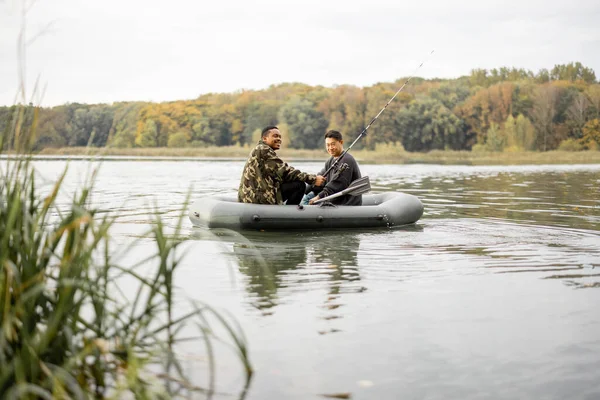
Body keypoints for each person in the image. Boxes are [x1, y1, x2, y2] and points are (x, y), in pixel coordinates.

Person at [238, 126, 326, 205]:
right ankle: (289, 216)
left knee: (292, 182)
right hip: (256, 198)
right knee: (299, 185)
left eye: (280, 137)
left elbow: (280, 174)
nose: (279, 139)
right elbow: (284, 172)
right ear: (264, 138)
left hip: (253, 195)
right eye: (275, 136)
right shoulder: (263, 149)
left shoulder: (261, 150)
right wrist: (313, 179)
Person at [305, 130, 362, 206]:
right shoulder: (330, 161)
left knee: (309, 201)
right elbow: (321, 179)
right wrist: (305, 190)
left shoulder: (347, 160)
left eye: (333, 144)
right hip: (333, 200)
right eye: (328, 145)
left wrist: (318, 197)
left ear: (341, 142)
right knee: (307, 196)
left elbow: (338, 184)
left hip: (346, 203)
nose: (330, 148)